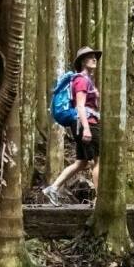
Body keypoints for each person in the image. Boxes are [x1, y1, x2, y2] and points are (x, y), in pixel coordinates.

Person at [42, 46, 102, 206]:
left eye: (94, 57)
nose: (94, 59)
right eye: (90, 57)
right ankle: (99, 200)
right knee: (98, 161)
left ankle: (53, 188)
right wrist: (87, 128)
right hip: (87, 123)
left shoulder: (85, 79)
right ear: (82, 61)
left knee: (81, 162)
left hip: (82, 124)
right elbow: (80, 106)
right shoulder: (81, 80)